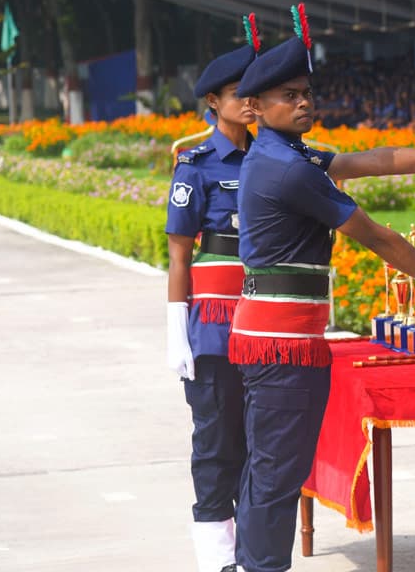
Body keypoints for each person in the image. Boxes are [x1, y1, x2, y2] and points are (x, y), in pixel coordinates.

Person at [229, 36, 415, 572]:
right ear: (254, 108)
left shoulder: (284, 152)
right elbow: (375, 235)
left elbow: (371, 160)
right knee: (279, 468)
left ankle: (251, 563)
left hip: (276, 331)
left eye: (306, 92)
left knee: (270, 463)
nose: (304, 103)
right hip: (283, 337)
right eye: (289, 95)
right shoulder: (288, 167)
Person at [165, 45, 257, 572]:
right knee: (216, 445)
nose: (248, 102)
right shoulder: (195, 167)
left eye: (253, 93)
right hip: (215, 330)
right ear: (213, 101)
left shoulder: (270, 159)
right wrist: (177, 332)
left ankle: (253, 553)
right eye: (237, 94)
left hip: (266, 324)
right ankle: (216, 557)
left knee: (258, 448)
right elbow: (180, 255)